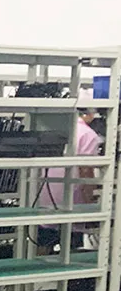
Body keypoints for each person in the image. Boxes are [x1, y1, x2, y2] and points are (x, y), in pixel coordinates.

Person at [37, 108, 103, 253]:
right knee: (71, 248)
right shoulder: (88, 134)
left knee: (42, 245)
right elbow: (86, 171)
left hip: (45, 199)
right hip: (72, 200)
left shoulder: (57, 129)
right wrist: (90, 204)